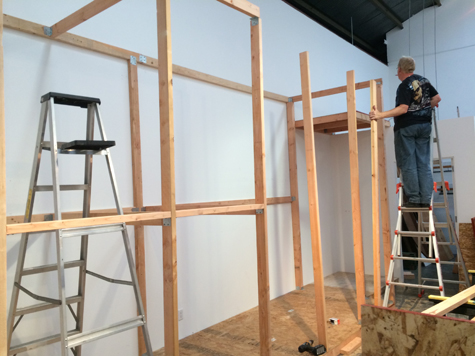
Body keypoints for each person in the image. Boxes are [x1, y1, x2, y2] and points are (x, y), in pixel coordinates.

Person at [369, 56, 441, 208]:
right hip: (424, 127)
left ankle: (414, 199)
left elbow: (403, 108)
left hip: (407, 127)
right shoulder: (425, 81)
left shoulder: (404, 85)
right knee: (423, 162)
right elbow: (437, 98)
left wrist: (380, 115)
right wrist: (426, 107)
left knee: (408, 162)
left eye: (397, 70)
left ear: (400, 69)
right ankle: (426, 199)